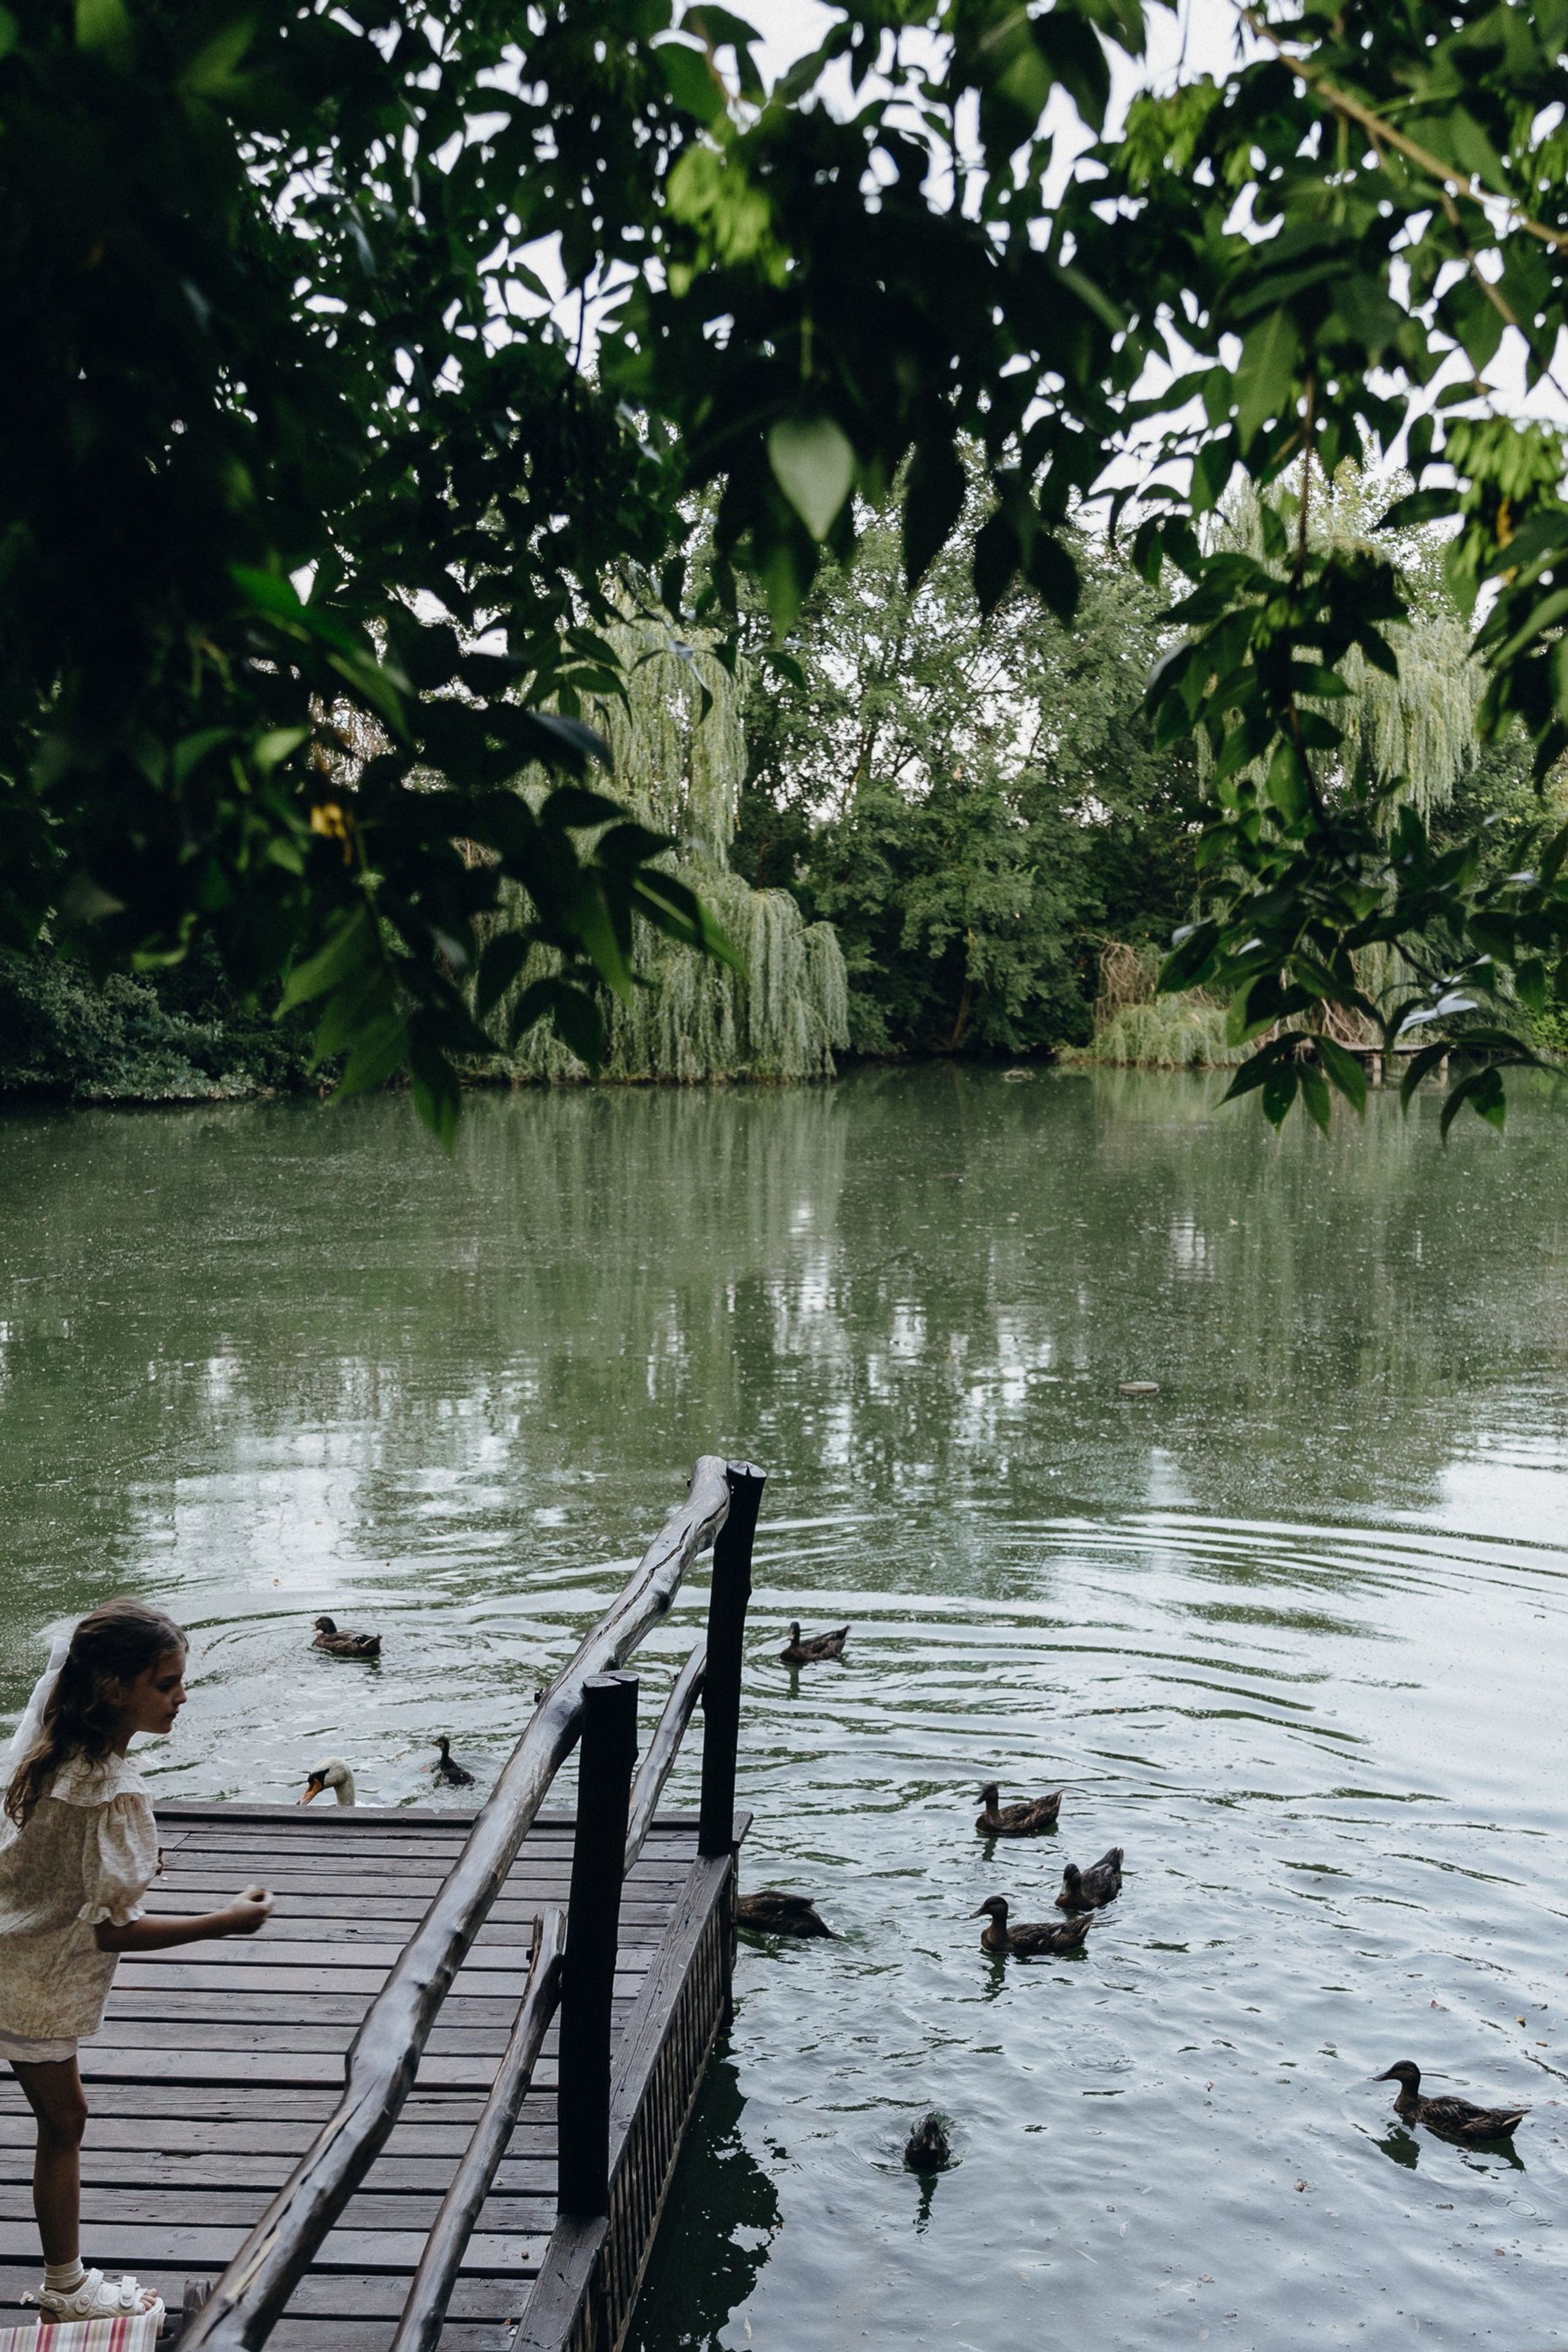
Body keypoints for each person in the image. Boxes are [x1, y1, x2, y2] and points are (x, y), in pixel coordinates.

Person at [0, 1598, 273, 2324]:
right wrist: (227, 1922)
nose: (183, 1696)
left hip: (7, 1946)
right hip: (27, 1978)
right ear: (115, 1689)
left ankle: (65, 2281)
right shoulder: (113, 1795)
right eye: (167, 1683)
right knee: (65, 2122)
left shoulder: (49, 1744)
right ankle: (66, 2287)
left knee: (64, 2117)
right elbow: (113, 1933)